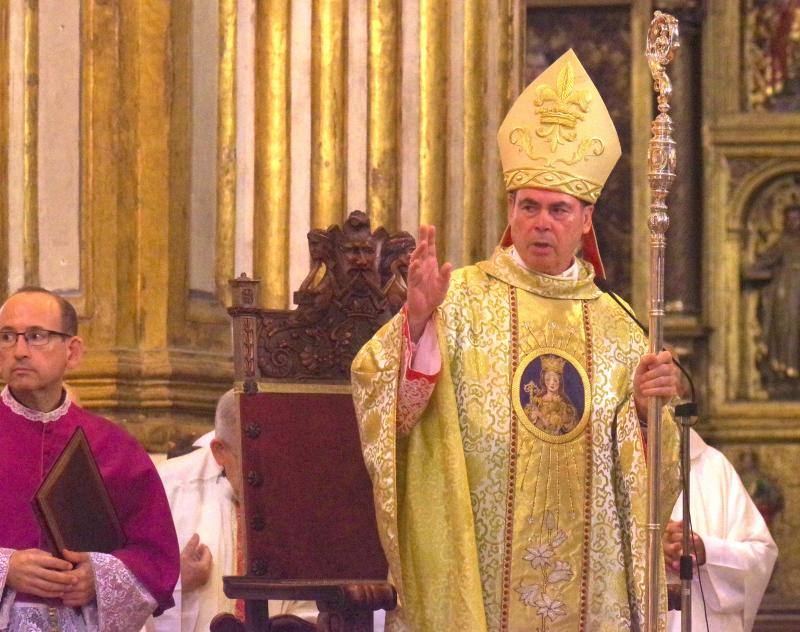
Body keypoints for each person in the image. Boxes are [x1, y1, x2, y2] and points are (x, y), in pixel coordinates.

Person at [352, 49, 681, 631]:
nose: (541, 223)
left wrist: (653, 411)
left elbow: (653, 482)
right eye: (528, 206)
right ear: (511, 210)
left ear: (585, 220)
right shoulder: (462, 298)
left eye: (558, 209)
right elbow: (395, 414)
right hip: (481, 563)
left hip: (591, 587)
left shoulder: (621, 324)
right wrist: (420, 322)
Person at [0, 287, 179, 631]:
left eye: (36, 336)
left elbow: (156, 558)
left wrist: (96, 578)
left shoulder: (113, 446)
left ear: (73, 351)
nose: (19, 351)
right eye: (8, 337)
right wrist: (7, 569)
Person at [153, 390, 318, 632]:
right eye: (257, 464)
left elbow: (314, 599)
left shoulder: (307, 490)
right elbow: (120, 598)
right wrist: (174, 580)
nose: (270, 477)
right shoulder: (168, 488)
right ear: (220, 451)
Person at [664, 429, 778, 632]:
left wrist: (707, 552)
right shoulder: (603, 465)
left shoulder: (714, 467)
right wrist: (647, 548)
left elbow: (761, 555)